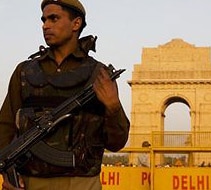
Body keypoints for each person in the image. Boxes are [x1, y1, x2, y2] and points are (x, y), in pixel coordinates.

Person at [0, 0, 130, 189]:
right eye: (44, 20)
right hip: (31, 182)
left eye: (54, 18)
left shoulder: (98, 74)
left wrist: (113, 107)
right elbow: (5, 126)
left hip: (83, 183)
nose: (46, 25)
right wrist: (7, 174)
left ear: (76, 24)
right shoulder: (24, 71)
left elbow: (116, 143)